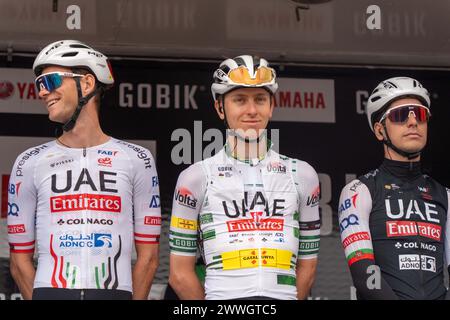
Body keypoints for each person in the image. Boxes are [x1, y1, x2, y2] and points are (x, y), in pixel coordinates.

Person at [7, 40, 161, 300]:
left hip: (114, 292)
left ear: (87, 84)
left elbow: (149, 257)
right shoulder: (28, 162)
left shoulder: (138, 159)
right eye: (39, 85)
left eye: (50, 81)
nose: (43, 92)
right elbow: (18, 261)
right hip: (51, 292)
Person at [168, 55, 321, 300]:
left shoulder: (302, 175)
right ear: (220, 107)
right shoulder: (195, 178)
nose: (251, 110)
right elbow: (179, 274)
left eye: (260, 99)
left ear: (271, 106)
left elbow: (308, 267)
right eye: (239, 100)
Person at [338, 76, 450, 299]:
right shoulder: (359, 191)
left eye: (419, 114)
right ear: (380, 131)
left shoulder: (445, 195)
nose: (412, 123)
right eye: (400, 116)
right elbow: (364, 274)